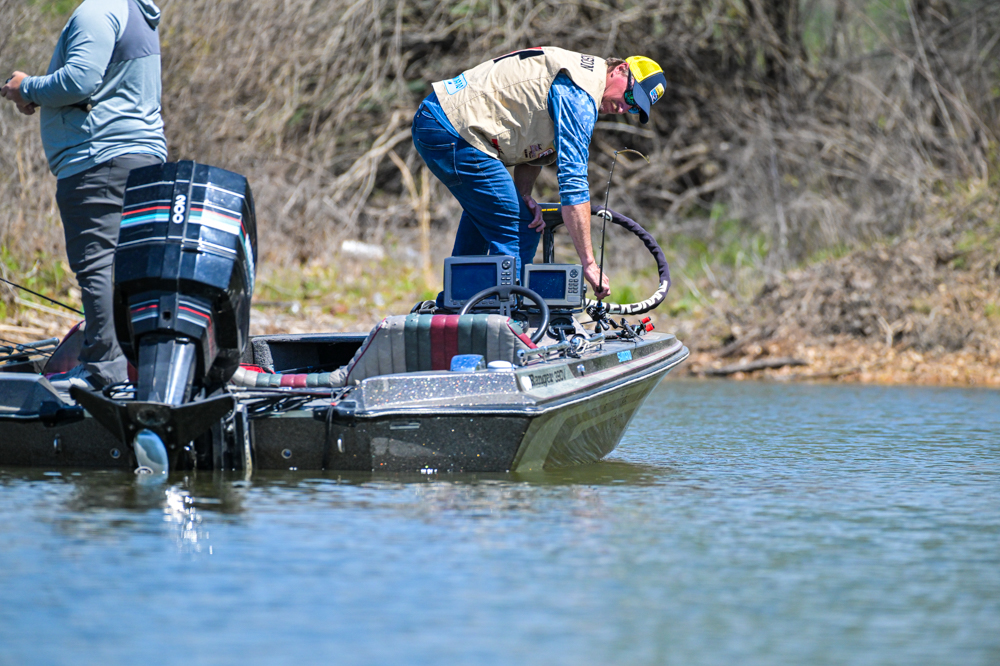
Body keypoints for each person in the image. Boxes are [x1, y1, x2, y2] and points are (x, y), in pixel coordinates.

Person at [412, 47, 668, 301]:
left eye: (634, 108)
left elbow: (535, 148)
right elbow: (573, 185)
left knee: (491, 215)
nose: (624, 108)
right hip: (450, 127)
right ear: (620, 69)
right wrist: (589, 263)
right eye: (630, 96)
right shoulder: (580, 92)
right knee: (519, 226)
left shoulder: (580, 76)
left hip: (442, 120)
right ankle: (506, 314)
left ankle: (456, 304)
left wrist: (523, 194)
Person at [1, 0, 168, 389]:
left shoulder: (98, 10)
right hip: (137, 158)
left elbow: (79, 80)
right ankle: (139, 371)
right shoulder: (134, 12)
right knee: (130, 269)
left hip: (98, 161)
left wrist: (26, 87)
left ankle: (105, 372)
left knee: (98, 265)